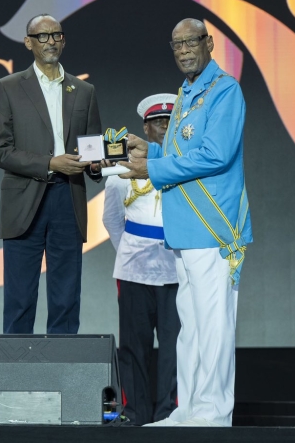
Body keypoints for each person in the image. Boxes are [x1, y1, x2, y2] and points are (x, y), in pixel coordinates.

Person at [118, 18, 253, 427]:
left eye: (191, 42)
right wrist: (151, 152)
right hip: (183, 230)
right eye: (176, 45)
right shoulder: (186, 93)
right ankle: (189, 410)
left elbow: (216, 155)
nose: (183, 51)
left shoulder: (225, 90)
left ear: (209, 43)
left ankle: (214, 413)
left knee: (214, 325)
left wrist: (152, 169)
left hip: (214, 227)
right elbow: (181, 152)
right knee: (190, 328)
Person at [0, 14, 102, 334]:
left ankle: (62, 377)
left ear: (64, 40)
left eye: (56, 35)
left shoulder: (84, 90)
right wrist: (51, 163)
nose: (50, 41)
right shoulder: (7, 88)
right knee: (20, 297)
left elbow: (92, 147)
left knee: (66, 297)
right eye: (42, 36)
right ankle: (17, 379)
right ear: (28, 43)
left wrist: (95, 164)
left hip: (68, 196)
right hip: (25, 199)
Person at [102, 93, 180, 426]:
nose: (162, 128)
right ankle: (135, 412)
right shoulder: (122, 168)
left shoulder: (187, 165)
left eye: (169, 122)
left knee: (176, 347)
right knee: (133, 346)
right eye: (156, 123)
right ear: (145, 130)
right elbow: (112, 219)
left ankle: (171, 411)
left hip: (178, 267)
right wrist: (132, 250)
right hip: (134, 268)